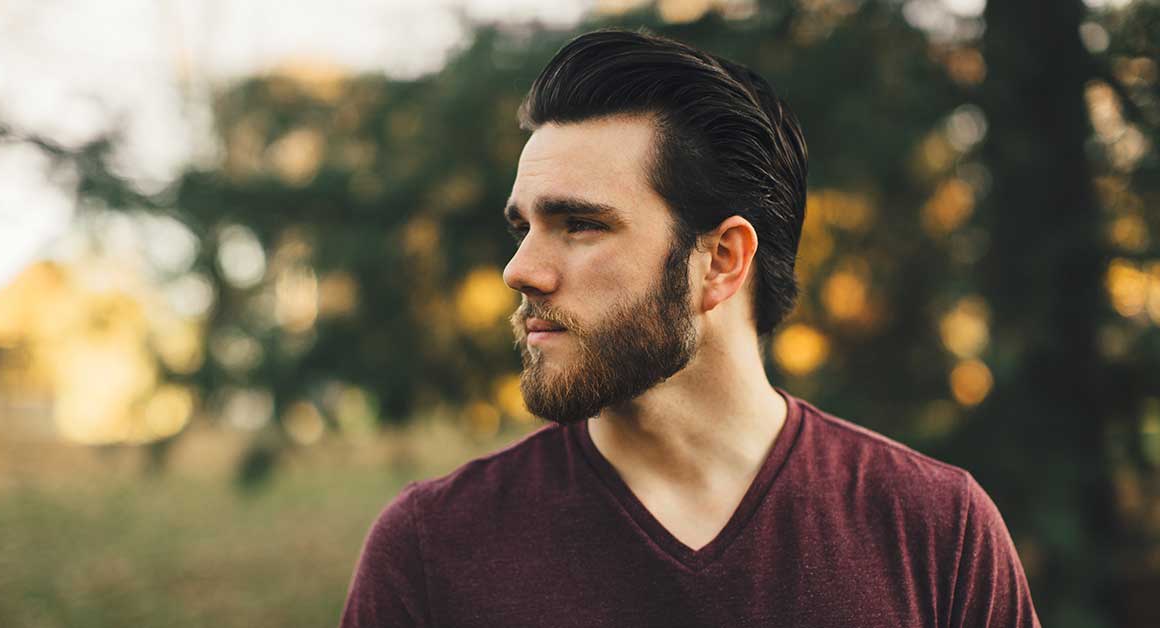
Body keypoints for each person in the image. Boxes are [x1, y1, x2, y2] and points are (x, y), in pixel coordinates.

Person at [339, 28, 1040, 628]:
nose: (520, 271)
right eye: (524, 228)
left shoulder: (936, 534)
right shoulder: (432, 550)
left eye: (579, 224)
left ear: (722, 261)